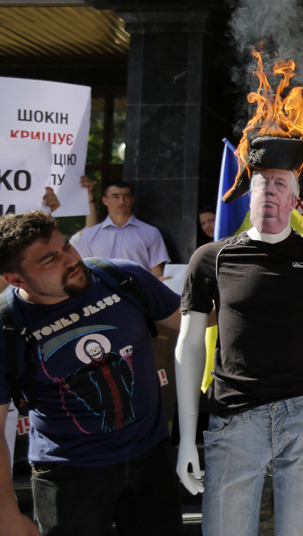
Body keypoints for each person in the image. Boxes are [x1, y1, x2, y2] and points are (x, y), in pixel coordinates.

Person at [175, 136, 303, 536]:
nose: (269, 192)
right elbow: (188, 342)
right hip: (234, 417)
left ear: (295, 199)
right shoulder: (211, 258)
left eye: (280, 184)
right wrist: (186, 434)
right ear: (247, 194)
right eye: (261, 182)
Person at [0, 210, 183, 536]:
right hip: (68, 477)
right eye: (49, 260)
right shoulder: (6, 328)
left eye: (66, 246)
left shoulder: (122, 277)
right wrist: (6, 512)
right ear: (16, 279)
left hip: (151, 460)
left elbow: (196, 319)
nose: (71, 260)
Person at [74, 180, 170, 278]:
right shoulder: (89, 235)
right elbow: (82, 269)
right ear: (105, 201)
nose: (121, 201)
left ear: (132, 200)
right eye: (116, 197)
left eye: (126, 197)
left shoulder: (151, 233)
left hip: (138, 291)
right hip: (101, 291)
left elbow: (157, 274)